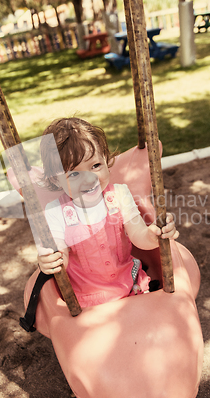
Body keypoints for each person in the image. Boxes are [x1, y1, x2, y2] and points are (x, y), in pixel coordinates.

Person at [38, 117, 179, 308]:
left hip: (128, 283)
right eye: (74, 174)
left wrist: (154, 235)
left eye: (95, 166)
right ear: (56, 181)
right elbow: (60, 255)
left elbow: (138, 236)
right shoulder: (56, 211)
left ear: (106, 160)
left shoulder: (119, 195)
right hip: (86, 297)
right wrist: (49, 261)